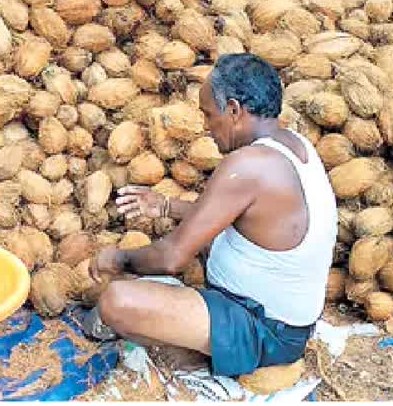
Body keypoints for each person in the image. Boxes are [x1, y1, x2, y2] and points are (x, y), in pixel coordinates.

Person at [85, 53, 337, 378]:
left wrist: (116, 259)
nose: (206, 127)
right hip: (275, 320)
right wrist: (164, 206)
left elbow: (171, 258)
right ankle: (200, 338)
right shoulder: (293, 145)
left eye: (208, 114)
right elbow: (238, 218)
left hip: (264, 331)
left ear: (233, 110)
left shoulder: (249, 165)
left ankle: (195, 354)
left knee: (117, 301)